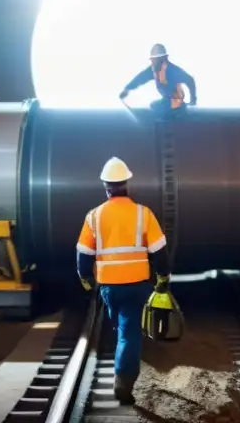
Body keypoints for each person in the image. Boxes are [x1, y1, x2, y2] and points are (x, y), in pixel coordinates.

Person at [76, 157, 171, 404]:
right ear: (127, 184)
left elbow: (84, 253)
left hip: (109, 287)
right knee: (129, 334)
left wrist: (85, 277)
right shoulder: (144, 213)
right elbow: (159, 251)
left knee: (120, 329)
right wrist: (163, 278)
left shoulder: (94, 216)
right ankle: (123, 385)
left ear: (106, 186)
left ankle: (121, 369)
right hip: (137, 284)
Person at [119, 43, 197, 115]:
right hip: (167, 101)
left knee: (158, 108)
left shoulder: (172, 70)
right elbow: (140, 78)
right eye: (153, 60)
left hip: (175, 103)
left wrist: (193, 100)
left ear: (164, 58)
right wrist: (127, 89)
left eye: (156, 60)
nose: (153, 62)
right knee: (154, 105)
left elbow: (190, 80)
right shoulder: (153, 70)